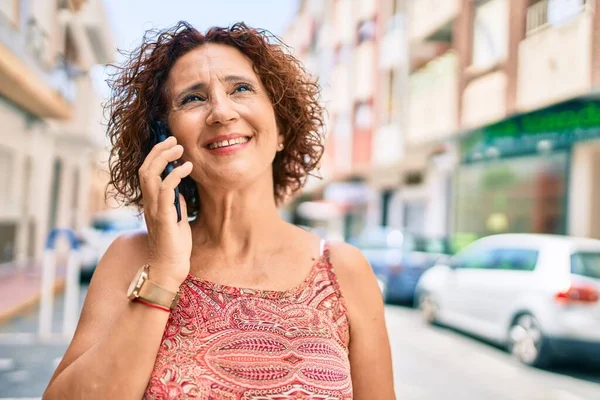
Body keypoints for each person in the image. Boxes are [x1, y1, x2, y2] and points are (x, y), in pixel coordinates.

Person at [43, 21, 395, 399]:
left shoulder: (345, 270)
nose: (221, 112)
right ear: (166, 140)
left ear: (280, 129)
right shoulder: (131, 258)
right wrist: (163, 272)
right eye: (193, 98)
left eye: (241, 88)